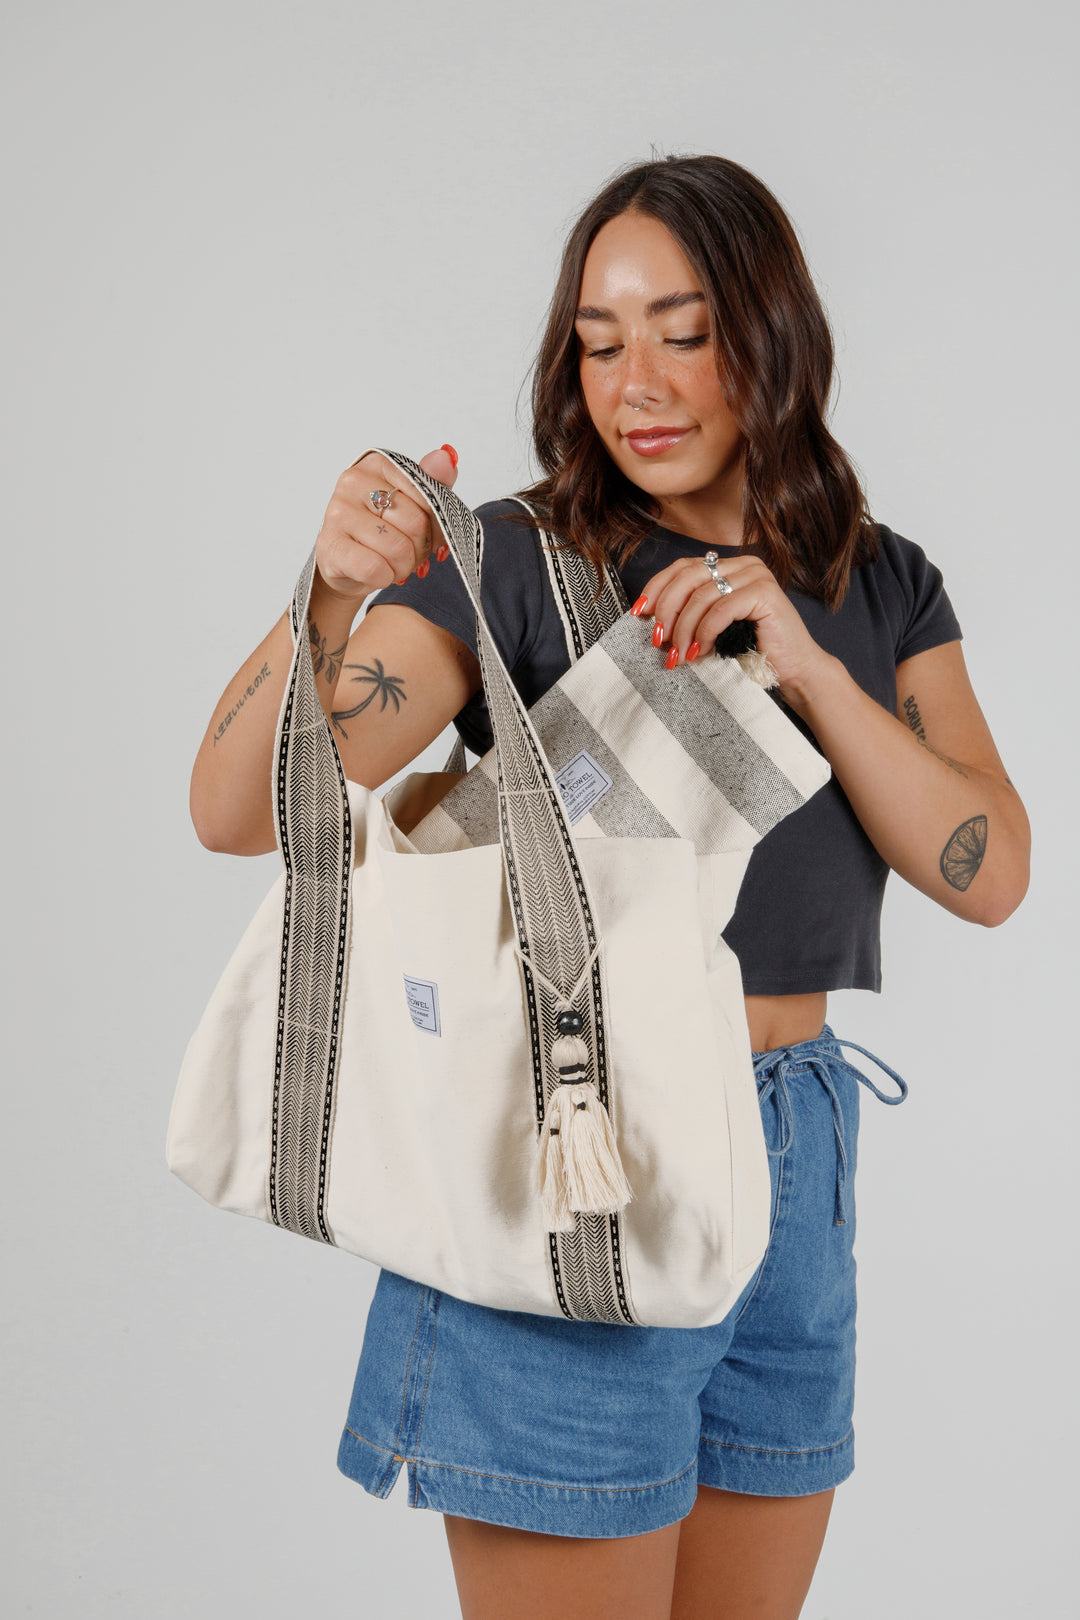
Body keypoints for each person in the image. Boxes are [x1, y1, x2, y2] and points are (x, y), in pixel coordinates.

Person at [189, 155, 1030, 1620]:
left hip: (797, 1154)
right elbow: (229, 812)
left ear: (771, 335)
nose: (633, 381)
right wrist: (325, 597)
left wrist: (810, 662)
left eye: (680, 331)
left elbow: (991, 871)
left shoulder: (877, 580)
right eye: (598, 339)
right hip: (582, 1146)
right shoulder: (524, 562)